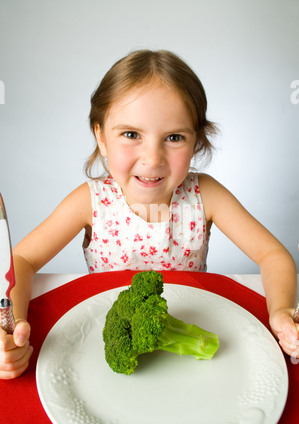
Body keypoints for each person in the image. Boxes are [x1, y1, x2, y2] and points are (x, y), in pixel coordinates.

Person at [0, 49, 297, 379]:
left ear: (196, 140)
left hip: (189, 348)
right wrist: (13, 322)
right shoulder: (91, 201)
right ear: (101, 137)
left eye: (174, 137)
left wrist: (281, 310)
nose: (152, 158)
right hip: (100, 350)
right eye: (131, 134)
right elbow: (22, 260)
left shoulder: (206, 195)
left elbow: (272, 255)